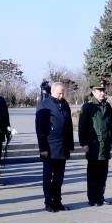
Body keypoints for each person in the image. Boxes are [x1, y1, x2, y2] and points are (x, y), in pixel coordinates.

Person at [35, 82, 74, 212]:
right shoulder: (44, 104)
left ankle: (57, 201)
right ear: (52, 92)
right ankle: (48, 202)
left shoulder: (65, 104)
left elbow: (69, 126)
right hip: (49, 147)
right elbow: (39, 128)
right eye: (59, 93)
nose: (61, 95)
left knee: (59, 177)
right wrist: (43, 149)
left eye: (63, 93)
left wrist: (69, 145)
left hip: (62, 147)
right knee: (48, 176)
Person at [79, 80, 112, 206]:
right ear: (94, 92)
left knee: (103, 174)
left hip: (105, 145)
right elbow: (82, 126)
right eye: (99, 90)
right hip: (93, 145)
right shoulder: (88, 107)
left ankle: (100, 197)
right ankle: (92, 198)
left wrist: (111, 140)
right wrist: (83, 143)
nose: (102, 93)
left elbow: (110, 125)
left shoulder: (108, 106)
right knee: (93, 174)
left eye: (103, 90)